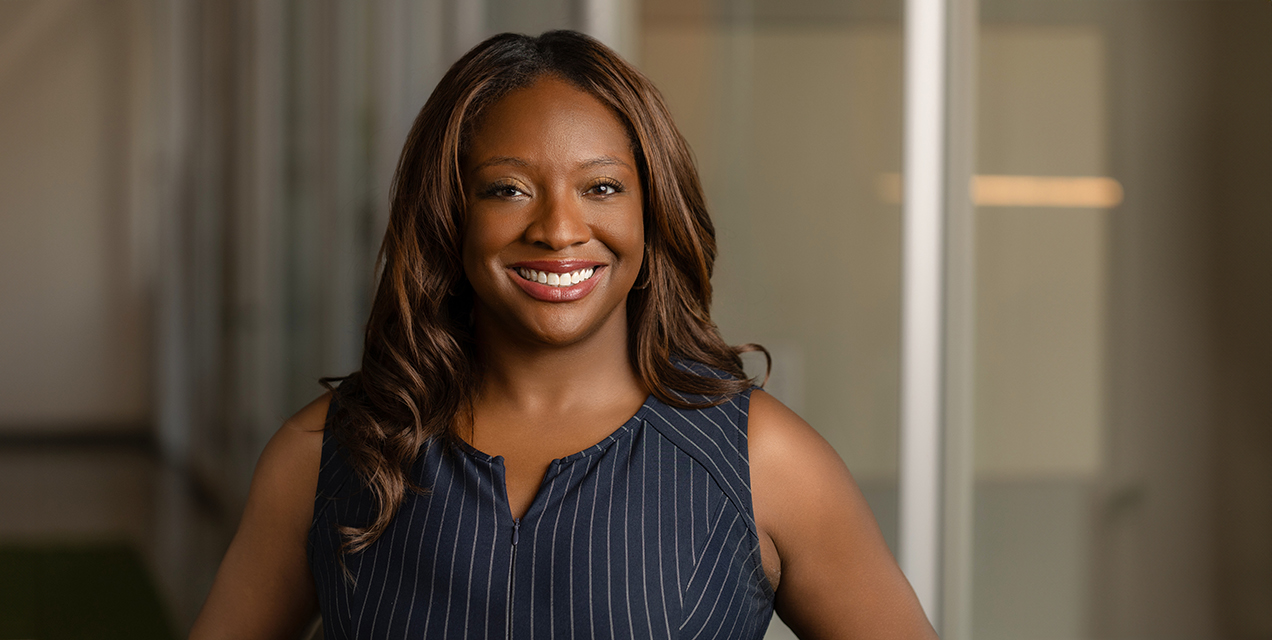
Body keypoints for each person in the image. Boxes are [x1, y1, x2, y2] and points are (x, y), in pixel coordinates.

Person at [189, 30, 936, 640]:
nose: (558, 229)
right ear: (451, 215)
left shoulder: (764, 462)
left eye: (602, 187)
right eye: (508, 189)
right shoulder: (322, 456)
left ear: (652, 211)